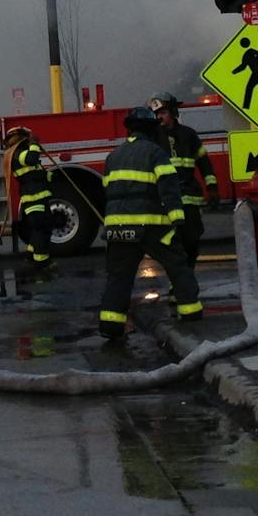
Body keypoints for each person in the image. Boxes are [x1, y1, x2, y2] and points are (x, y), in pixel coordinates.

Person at [96, 106, 201, 341]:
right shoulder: (156, 153)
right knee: (178, 265)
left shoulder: (113, 156)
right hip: (151, 226)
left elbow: (107, 190)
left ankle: (111, 325)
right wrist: (178, 222)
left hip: (117, 228)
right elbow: (169, 190)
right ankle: (191, 314)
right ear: (152, 130)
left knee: (118, 277)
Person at [151, 94, 213, 263]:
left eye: (163, 112)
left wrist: (212, 187)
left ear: (172, 112)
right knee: (171, 242)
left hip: (190, 195)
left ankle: (185, 278)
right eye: (156, 114)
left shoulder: (189, 135)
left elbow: (204, 162)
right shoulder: (153, 138)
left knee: (192, 241)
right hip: (166, 199)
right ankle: (179, 282)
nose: (159, 117)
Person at [3, 126, 56, 270]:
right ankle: (42, 262)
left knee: (40, 227)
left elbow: (34, 173)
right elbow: (31, 159)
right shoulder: (19, 153)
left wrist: (49, 177)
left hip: (36, 197)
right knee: (42, 228)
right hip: (34, 198)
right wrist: (34, 144)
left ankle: (31, 254)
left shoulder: (18, 153)